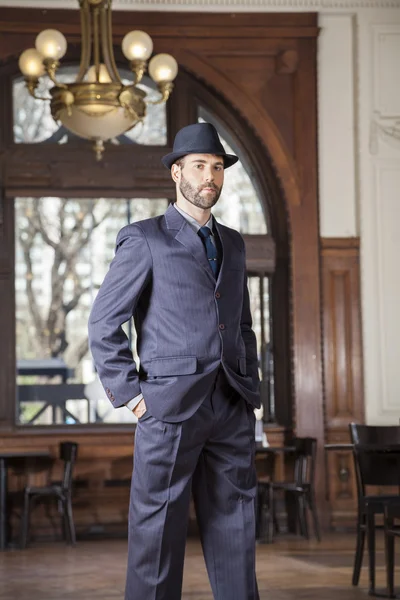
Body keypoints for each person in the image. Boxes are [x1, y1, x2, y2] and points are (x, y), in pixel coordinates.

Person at [88, 122, 261, 600]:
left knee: (237, 530)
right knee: (156, 535)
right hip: (167, 408)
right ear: (177, 173)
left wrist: (251, 390)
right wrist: (133, 399)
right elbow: (104, 324)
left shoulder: (235, 244)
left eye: (218, 167)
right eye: (201, 166)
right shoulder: (144, 239)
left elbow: (242, 324)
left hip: (230, 405)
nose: (211, 176)